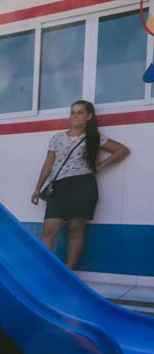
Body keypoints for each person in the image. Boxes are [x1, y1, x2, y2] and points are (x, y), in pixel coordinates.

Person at [31, 100, 130, 269]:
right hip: (59, 187)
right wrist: (37, 188)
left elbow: (122, 150)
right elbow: (48, 164)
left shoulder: (94, 138)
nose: (75, 116)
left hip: (83, 186)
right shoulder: (57, 138)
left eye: (80, 112)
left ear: (89, 116)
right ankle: (45, 272)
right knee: (48, 231)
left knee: (75, 230)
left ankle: (69, 274)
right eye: (73, 112)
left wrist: (99, 166)